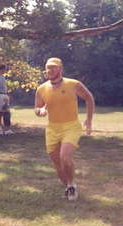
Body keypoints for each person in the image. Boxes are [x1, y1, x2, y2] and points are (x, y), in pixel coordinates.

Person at [34, 57, 95, 201]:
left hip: (71, 126)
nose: (50, 70)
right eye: (48, 67)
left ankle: (71, 185)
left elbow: (89, 98)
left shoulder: (73, 84)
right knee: (58, 164)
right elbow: (37, 107)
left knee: (65, 157)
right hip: (52, 129)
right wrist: (40, 111)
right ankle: (69, 186)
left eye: (53, 67)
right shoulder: (41, 89)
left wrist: (89, 119)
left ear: (60, 69)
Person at [0, 64, 13, 135]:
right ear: (2, 69)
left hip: (4, 95)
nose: (5, 71)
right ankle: (0, 128)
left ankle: (6, 129)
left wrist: (7, 94)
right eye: (5, 69)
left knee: (6, 112)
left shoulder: (3, 77)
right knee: (1, 112)